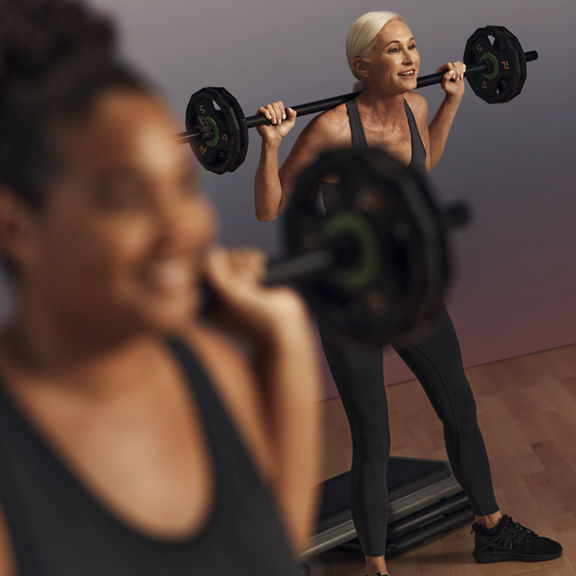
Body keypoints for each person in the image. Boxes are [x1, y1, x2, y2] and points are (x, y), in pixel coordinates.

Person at [0, 1, 322, 575]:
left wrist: (285, 345)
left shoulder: (209, 367)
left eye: (183, 187)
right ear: (16, 227)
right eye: (125, 198)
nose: (184, 228)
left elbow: (268, 554)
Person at [254, 11, 562, 576]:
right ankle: (376, 568)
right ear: (362, 66)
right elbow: (269, 207)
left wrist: (449, 105)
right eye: (393, 50)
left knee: (460, 408)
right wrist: (271, 144)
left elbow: (420, 164)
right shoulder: (332, 132)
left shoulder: (416, 106)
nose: (411, 58)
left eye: (412, 46)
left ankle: (491, 529)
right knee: (374, 437)